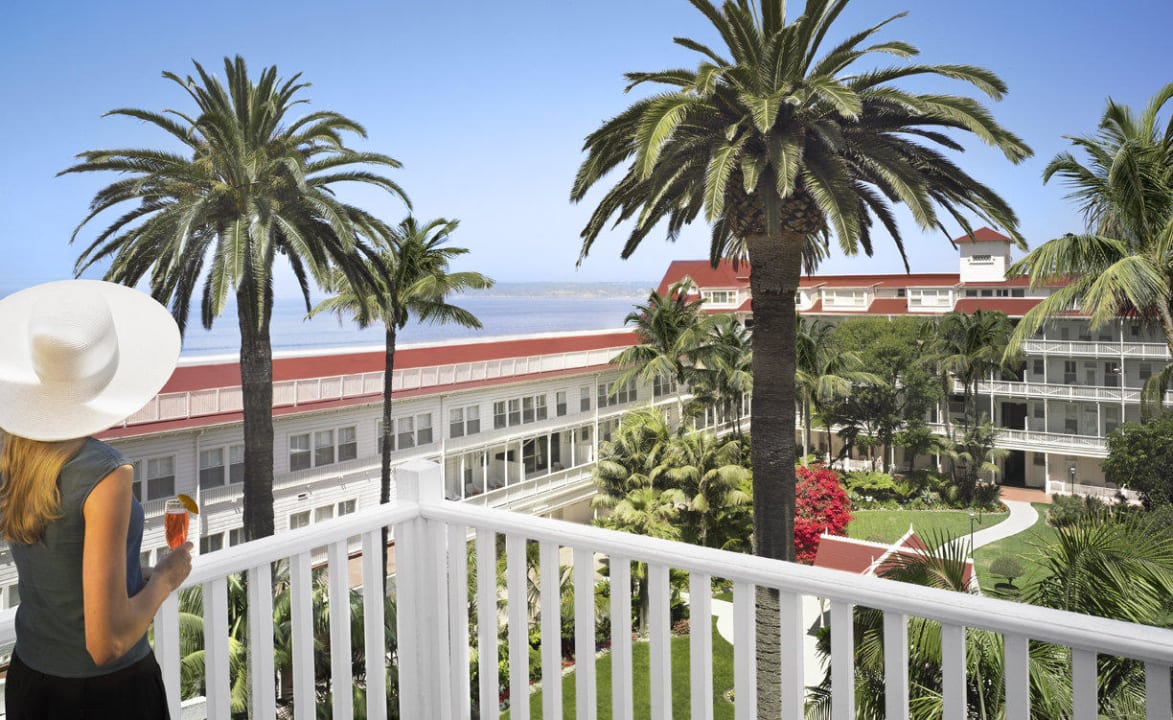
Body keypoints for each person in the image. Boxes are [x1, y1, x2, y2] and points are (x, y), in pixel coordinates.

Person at [0, 280, 192, 719]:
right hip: (107, 695)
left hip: (31, 681)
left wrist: (128, 575)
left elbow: (61, 561)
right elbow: (106, 643)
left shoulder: (12, 453)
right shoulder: (106, 472)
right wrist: (165, 576)